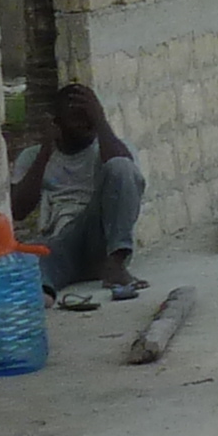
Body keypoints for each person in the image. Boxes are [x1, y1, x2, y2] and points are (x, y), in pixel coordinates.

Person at [10, 83, 144, 304]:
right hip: (61, 245)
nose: (85, 125)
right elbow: (18, 210)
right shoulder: (32, 156)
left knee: (121, 166)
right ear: (57, 121)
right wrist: (46, 150)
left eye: (89, 118)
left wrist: (101, 122)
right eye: (75, 119)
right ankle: (45, 292)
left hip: (100, 240)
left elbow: (126, 177)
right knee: (30, 261)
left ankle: (116, 266)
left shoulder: (113, 148)